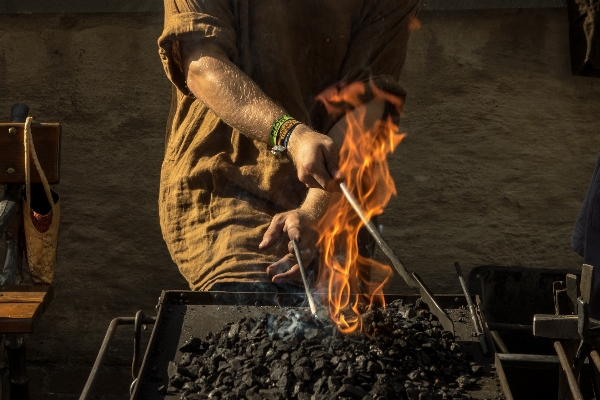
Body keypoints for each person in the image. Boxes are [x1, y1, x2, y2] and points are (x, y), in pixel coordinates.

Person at [157, 0, 419, 293]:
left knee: (340, 331)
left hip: (335, 202)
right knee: (247, 313)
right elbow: (202, 65)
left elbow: (368, 103)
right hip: (229, 187)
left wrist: (314, 212)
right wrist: (292, 135)